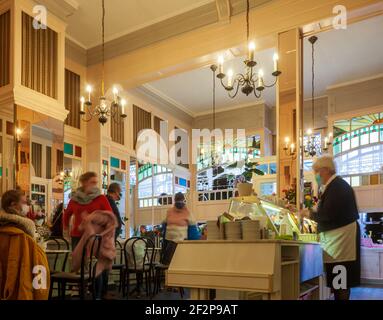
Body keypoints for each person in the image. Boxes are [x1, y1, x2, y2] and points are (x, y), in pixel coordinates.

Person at [300, 155, 360, 300]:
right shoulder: (335, 186)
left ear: (325, 170)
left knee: (341, 283)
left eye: (316, 171)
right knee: (338, 283)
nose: (316, 176)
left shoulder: (337, 187)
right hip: (338, 241)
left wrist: (308, 214)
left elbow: (327, 214)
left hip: (342, 243)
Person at [0, 190, 50, 300]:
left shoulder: (4, 229)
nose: (27, 206)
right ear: (13, 205)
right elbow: (38, 266)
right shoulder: (24, 234)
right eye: (24, 203)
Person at [63, 172, 113, 251]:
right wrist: (66, 229)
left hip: (95, 236)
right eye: (92, 182)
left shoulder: (101, 198)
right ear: (84, 183)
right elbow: (66, 215)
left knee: (94, 262)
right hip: (77, 235)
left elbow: (110, 216)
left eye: (96, 183)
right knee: (78, 261)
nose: (95, 185)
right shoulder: (75, 199)